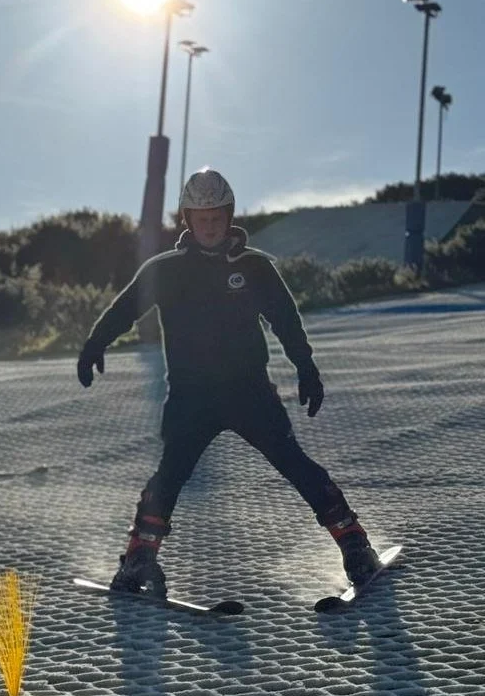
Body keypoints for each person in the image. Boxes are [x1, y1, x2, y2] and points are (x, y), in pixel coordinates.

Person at [76, 168, 381, 596]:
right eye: (202, 218)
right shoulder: (164, 269)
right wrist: (94, 345)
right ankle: (138, 560)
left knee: (295, 464)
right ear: (187, 220)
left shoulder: (254, 267)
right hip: (189, 396)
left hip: (249, 392)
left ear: (230, 215)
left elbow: (286, 320)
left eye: (217, 217)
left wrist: (305, 366)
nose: (211, 226)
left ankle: (354, 544)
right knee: (170, 476)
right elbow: (124, 309)